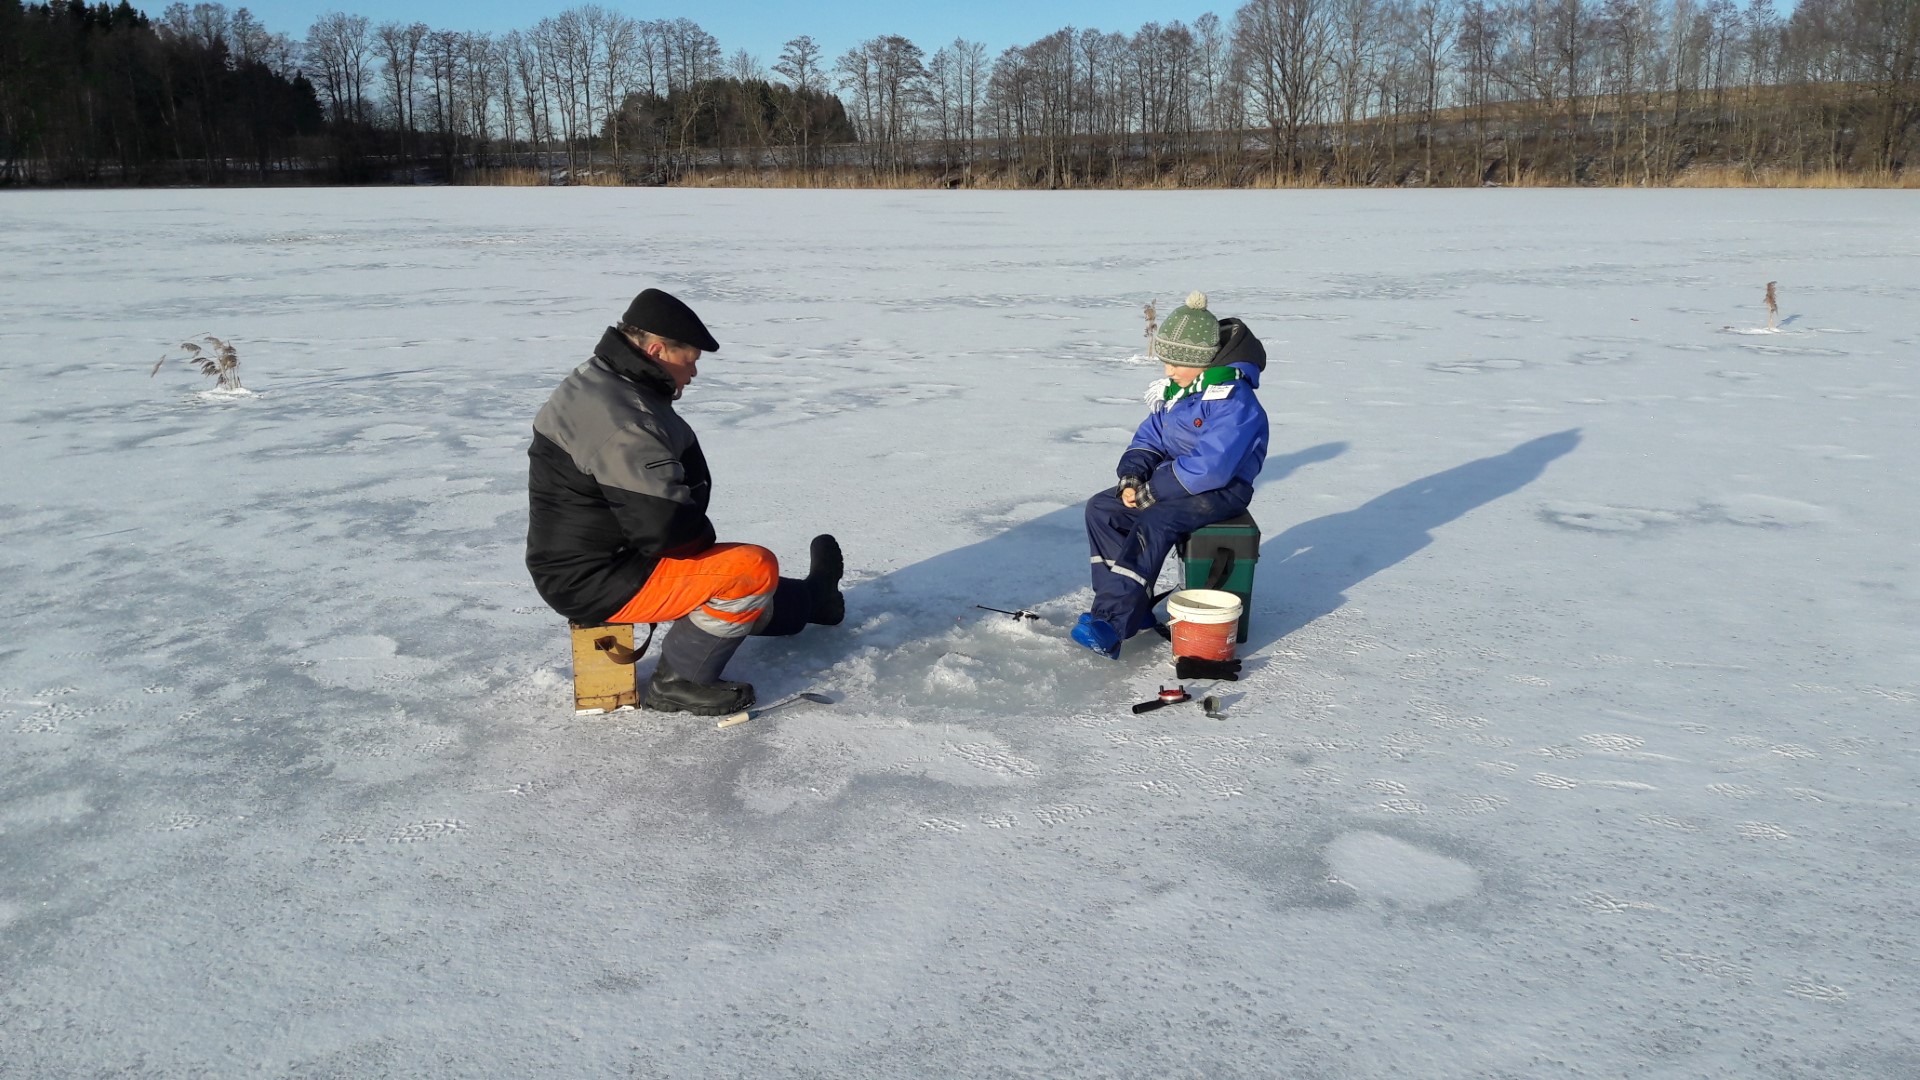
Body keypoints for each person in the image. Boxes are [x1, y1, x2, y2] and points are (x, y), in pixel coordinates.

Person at [525, 288, 844, 715]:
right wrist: (700, 536)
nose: (693, 372)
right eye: (689, 359)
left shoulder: (605, 379)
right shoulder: (624, 420)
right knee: (748, 569)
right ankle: (680, 681)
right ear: (657, 350)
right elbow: (666, 530)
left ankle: (814, 602)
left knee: (725, 573)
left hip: (599, 557)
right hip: (594, 577)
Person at [1072, 291, 1268, 659]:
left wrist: (1155, 492)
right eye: (1166, 362)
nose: (1168, 372)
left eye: (1175, 363)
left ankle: (1113, 623)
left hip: (1222, 489)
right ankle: (1130, 608)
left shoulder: (1233, 400)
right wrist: (1133, 477)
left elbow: (1212, 467)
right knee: (1102, 508)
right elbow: (1151, 436)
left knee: (1156, 519)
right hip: (1177, 480)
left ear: (1201, 360)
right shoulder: (1182, 393)